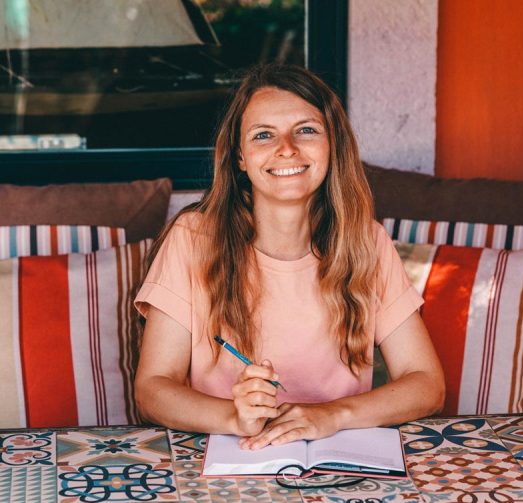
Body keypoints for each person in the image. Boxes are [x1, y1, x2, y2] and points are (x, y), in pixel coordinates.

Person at [134, 63, 444, 451]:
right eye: (263, 135)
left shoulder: (366, 241)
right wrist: (234, 417)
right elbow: (152, 389)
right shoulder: (193, 239)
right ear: (240, 157)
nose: (286, 148)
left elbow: (427, 383)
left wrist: (332, 415)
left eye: (306, 130)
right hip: (230, 459)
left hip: (339, 458)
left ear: (333, 146)